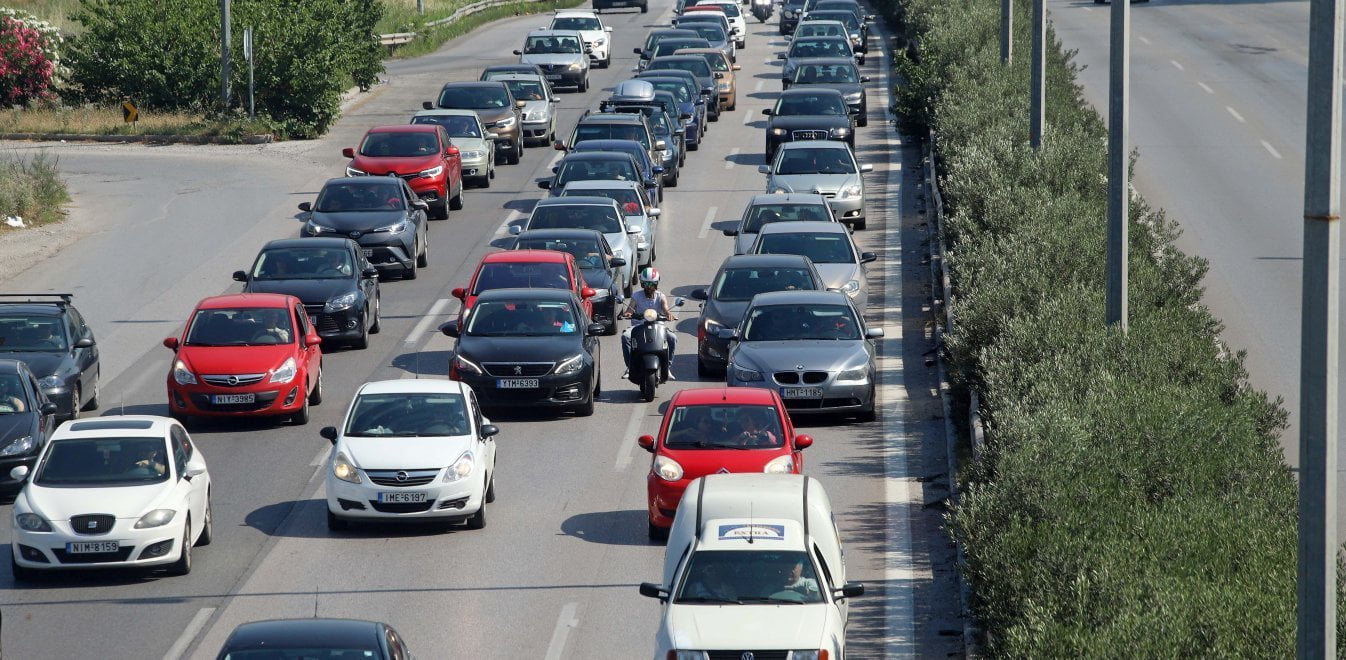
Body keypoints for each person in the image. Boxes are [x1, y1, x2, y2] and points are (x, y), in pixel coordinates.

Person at [620, 268, 678, 378]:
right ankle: (630, 367)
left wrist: (668, 314)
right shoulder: (636, 296)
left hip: (658, 327)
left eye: (652, 284)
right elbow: (630, 308)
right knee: (625, 337)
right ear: (642, 284)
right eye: (646, 284)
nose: (649, 287)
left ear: (656, 284)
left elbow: (665, 308)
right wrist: (628, 313)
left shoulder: (661, 296)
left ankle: (667, 367)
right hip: (638, 326)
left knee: (672, 338)